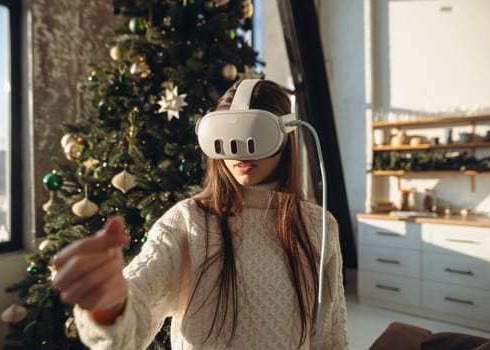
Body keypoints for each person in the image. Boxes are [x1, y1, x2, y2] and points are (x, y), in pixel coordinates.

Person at [52, 79, 349, 349]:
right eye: (226, 135)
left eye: (256, 133)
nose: (239, 152)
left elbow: (331, 334)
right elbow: (133, 314)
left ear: (286, 136)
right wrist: (109, 305)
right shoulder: (187, 222)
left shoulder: (318, 226)